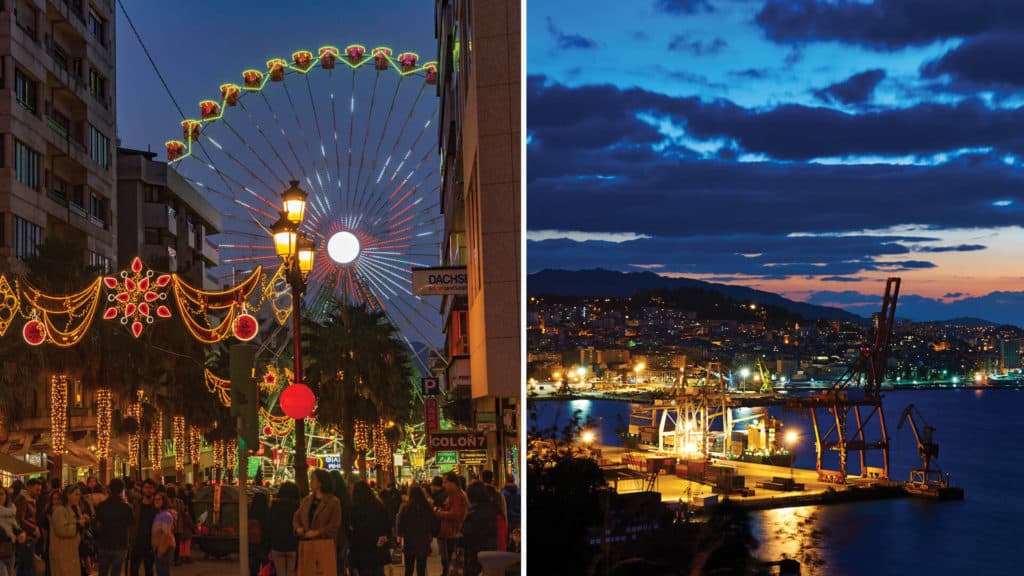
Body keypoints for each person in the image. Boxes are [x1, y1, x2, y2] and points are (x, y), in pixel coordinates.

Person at [293, 470, 342, 574]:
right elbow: (296, 517)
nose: (310, 482)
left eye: (313, 479)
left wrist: (318, 532)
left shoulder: (333, 502)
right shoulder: (306, 500)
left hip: (324, 546)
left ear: (320, 483)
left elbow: (335, 525)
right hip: (307, 545)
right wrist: (298, 528)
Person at [348, 482, 390, 576]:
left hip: (362, 552)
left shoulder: (355, 509)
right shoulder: (379, 506)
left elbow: (355, 532)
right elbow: (387, 525)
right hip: (378, 550)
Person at [396, 485, 437, 576]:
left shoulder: (406, 508)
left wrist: (399, 535)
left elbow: (401, 523)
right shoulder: (427, 507)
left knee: (409, 568)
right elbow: (433, 522)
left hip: (409, 540)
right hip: (423, 540)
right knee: (421, 568)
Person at [94, 478, 132, 576]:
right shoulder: (126, 508)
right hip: (121, 544)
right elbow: (131, 523)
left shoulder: (102, 506)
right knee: (116, 572)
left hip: (104, 543)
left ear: (109, 490)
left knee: (103, 572)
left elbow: (97, 524)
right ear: (122, 490)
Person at [461, 482, 498, 576]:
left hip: (474, 556)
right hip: (490, 554)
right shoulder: (493, 509)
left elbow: (467, 535)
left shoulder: (473, 513)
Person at [435, 473, 468, 576]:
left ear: (453, 483)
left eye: (445, 482)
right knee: (448, 562)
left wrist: (439, 513)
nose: (444, 485)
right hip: (449, 533)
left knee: (452, 563)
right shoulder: (452, 495)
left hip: (453, 533)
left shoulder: (457, 495)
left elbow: (455, 514)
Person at [49, 486, 85, 576]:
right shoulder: (60, 511)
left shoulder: (72, 509)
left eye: (79, 494)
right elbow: (61, 530)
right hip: (62, 552)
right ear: (68, 495)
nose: (78, 497)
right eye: (76, 494)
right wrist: (78, 525)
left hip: (70, 551)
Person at [268, 482, 300, 576]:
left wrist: (269, 547)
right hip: (293, 546)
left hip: (277, 546)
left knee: (280, 573)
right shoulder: (298, 507)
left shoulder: (274, 507)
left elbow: (270, 527)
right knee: (292, 572)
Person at [130, 480, 157, 576]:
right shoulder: (137, 504)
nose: (148, 490)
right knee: (134, 568)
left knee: (149, 568)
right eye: (146, 487)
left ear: (154, 489)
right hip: (137, 540)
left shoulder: (157, 505)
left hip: (151, 541)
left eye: (150, 488)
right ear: (142, 489)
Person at [13, 478, 40, 576]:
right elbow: (20, 519)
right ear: (29, 488)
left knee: (23, 564)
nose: (39, 492)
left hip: (27, 536)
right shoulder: (22, 499)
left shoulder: (30, 500)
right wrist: (34, 528)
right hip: (25, 536)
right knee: (26, 565)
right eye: (37, 490)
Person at [0, 484, 25, 576]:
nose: (0, 496)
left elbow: (16, 528)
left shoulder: (10, 512)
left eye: (2, 494)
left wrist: (21, 533)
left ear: (6, 496)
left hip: (9, 551)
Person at [151, 493, 175, 576]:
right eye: (155, 499)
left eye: (158, 499)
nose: (156, 501)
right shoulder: (159, 514)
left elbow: (166, 534)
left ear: (164, 501)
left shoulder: (166, 515)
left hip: (164, 548)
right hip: (158, 548)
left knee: (163, 572)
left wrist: (161, 550)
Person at [248, 493, 269, 576]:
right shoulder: (266, 513)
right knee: (265, 568)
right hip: (264, 545)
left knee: (253, 568)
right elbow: (268, 529)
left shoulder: (250, 512)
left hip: (252, 544)